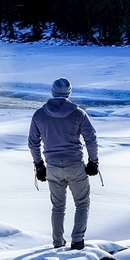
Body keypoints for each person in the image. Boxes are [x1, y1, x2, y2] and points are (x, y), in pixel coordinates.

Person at [28, 77, 99, 250]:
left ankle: (58, 243)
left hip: (52, 167)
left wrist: (39, 165)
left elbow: (33, 143)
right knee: (82, 204)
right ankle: (77, 241)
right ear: (69, 93)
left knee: (58, 207)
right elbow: (91, 139)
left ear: (52, 92)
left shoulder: (39, 114)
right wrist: (93, 162)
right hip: (75, 165)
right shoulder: (78, 113)